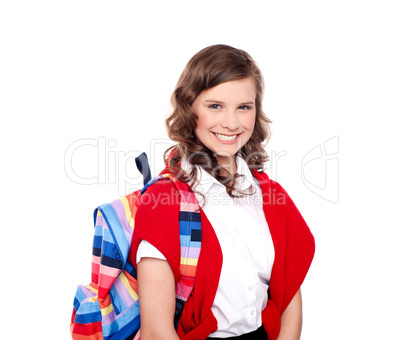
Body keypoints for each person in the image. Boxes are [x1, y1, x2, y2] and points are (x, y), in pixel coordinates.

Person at [129, 44, 315, 340]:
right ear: (190, 107)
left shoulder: (270, 196)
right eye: (215, 106)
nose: (231, 123)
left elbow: (289, 292)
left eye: (244, 107)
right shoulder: (164, 201)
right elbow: (156, 331)